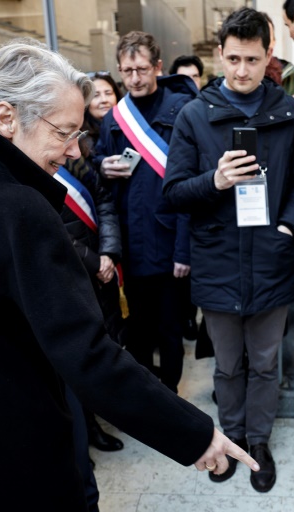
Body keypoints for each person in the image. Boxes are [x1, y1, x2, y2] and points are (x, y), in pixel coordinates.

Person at [0, 40, 257, 511]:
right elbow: (88, 354)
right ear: (5, 117)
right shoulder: (18, 208)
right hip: (6, 460)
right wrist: (196, 435)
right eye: (63, 132)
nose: (73, 150)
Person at [163, 7, 294, 493]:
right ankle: (229, 438)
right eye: (233, 59)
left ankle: (259, 441)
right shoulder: (194, 115)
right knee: (228, 365)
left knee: (266, 363)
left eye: (252, 59)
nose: (242, 70)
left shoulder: (289, 113)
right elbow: (174, 193)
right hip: (218, 259)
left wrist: (289, 230)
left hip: (271, 257)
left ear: (269, 53)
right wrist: (216, 180)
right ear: (220, 55)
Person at [94, 31, 197, 393]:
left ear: (157, 67)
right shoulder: (114, 118)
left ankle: (170, 395)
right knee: (136, 329)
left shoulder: (183, 110)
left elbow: (190, 188)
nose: (134, 79)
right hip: (130, 243)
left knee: (170, 329)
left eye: (141, 69)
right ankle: (145, 398)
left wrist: (184, 250)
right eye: (127, 71)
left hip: (169, 243)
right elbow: (98, 169)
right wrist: (102, 166)